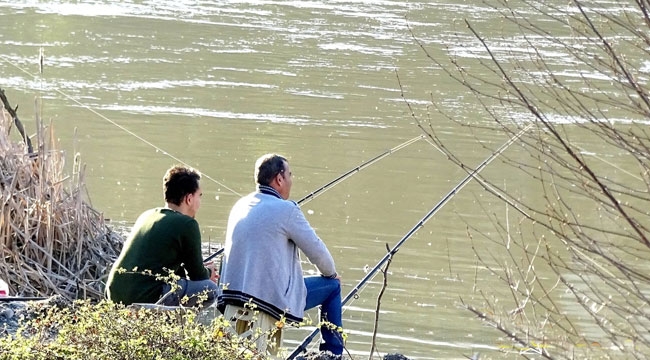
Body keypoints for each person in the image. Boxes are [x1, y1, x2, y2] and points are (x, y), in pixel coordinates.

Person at [218, 154, 344, 355]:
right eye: (290, 174)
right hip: (267, 302)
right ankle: (332, 354)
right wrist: (331, 274)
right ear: (279, 179)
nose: (292, 180)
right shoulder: (287, 210)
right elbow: (319, 254)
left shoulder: (239, 205)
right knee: (333, 287)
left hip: (231, 299)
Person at [106, 165, 219, 307]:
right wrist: (209, 271)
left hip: (115, 291)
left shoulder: (147, 215)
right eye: (199, 196)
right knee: (211, 289)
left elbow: (175, 271)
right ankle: (179, 325)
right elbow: (198, 276)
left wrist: (201, 269)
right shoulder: (187, 224)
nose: (200, 202)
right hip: (145, 295)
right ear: (189, 199)